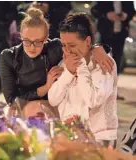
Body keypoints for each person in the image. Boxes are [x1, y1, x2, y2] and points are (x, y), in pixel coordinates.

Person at [0, 7, 114, 118]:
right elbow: (12, 100)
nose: (32, 47)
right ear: (20, 36)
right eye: (27, 41)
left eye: (38, 42)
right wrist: (45, 87)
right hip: (23, 108)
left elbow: (80, 46)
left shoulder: (55, 48)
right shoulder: (9, 56)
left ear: (46, 39)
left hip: (51, 108)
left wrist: (98, 48)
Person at [48, 13, 118, 148]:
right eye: (64, 45)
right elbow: (53, 99)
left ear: (87, 41)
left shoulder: (104, 63)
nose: (67, 50)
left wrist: (80, 66)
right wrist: (68, 72)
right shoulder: (65, 64)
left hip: (99, 139)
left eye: (72, 45)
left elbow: (93, 100)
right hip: (70, 135)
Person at [91, 2, 135, 74]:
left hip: (121, 33)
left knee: (117, 57)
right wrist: (107, 15)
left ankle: (114, 78)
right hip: (106, 33)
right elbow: (94, 10)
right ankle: (104, 77)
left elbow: (132, 11)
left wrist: (126, 16)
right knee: (105, 56)